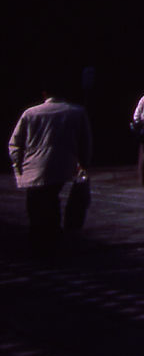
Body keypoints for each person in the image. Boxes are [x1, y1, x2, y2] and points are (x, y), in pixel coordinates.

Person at [10, 85, 93, 259]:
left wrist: (19, 165)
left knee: (36, 205)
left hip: (32, 166)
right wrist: (83, 165)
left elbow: (15, 144)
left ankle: (39, 242)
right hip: (62, 165)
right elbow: (85, 142)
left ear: (44, 94)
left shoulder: (30, 113)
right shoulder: (77, 112)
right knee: (51, 200)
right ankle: (51, 241)